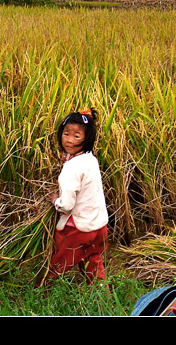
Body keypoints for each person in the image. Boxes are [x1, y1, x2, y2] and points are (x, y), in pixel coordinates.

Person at [37, 107, 109, 287]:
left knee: (57, 263)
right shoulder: (90, 159)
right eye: (66, 134)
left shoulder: (71, 169)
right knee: (93, 261)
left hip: (78, 231)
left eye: (76, 136)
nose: (69, 140)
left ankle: (41, 292)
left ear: (87, 138)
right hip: (99, 227)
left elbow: (67, 205)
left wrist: (55, 200)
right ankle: (102, 296)